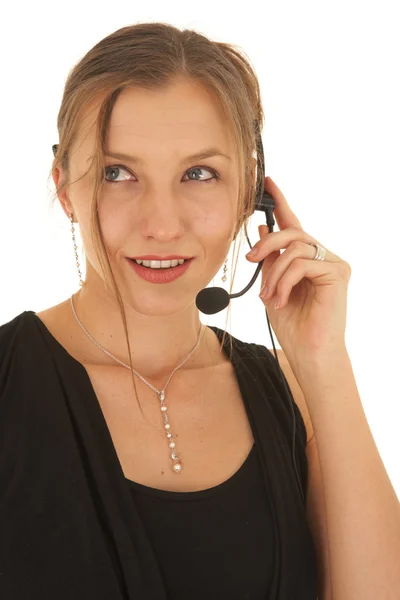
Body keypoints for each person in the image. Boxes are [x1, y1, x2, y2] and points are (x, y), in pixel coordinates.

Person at [0, 23, 320, 599]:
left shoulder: (293, 393)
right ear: (65, 187)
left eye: (199, 173)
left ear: (252, 192)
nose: (162, 224)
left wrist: (326, 363)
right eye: (116, 173)